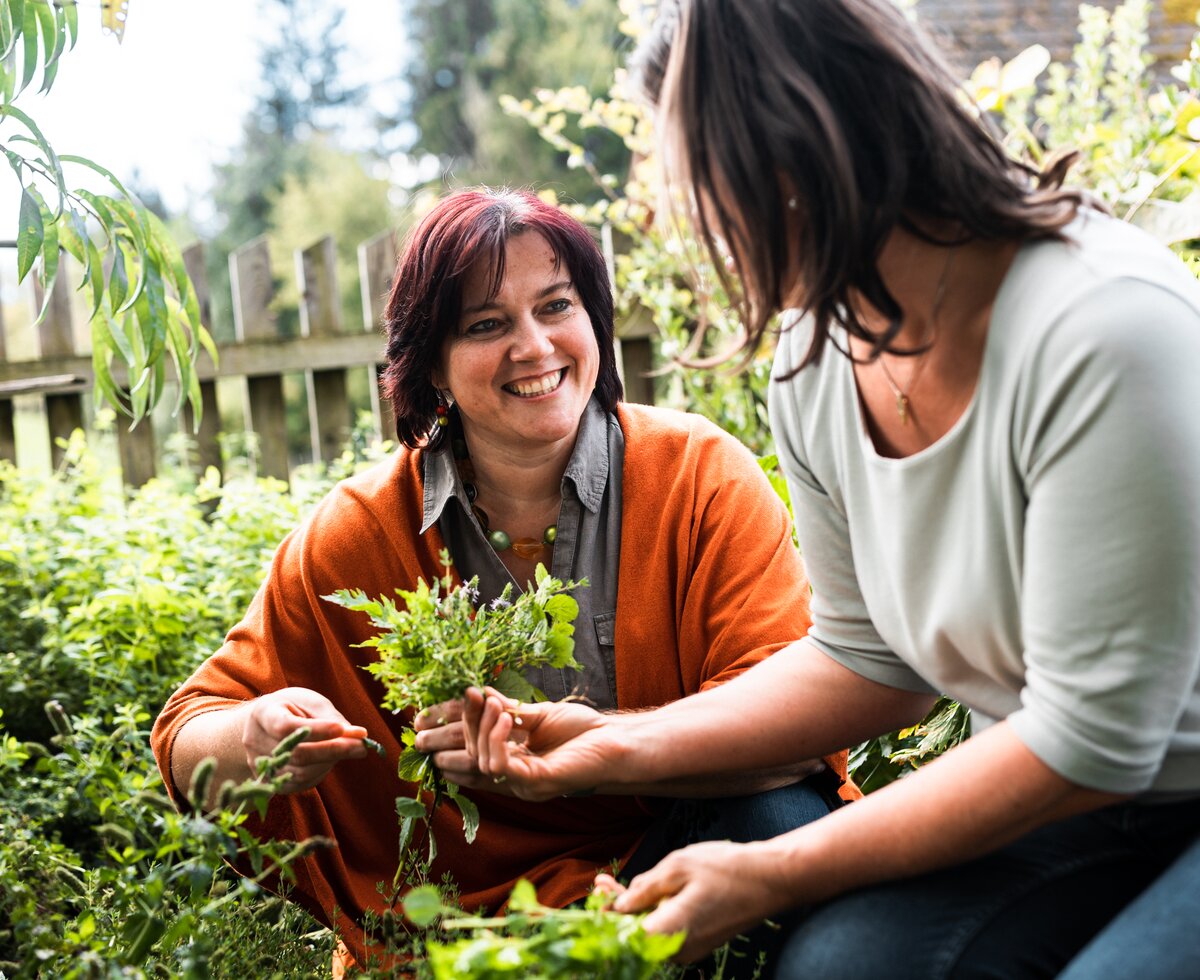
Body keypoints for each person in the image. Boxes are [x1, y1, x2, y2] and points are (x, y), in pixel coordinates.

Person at [461, 1, 1200, 976]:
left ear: (789, 145)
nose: (663, 208)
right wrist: (613, 745)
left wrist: (778, 867)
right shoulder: (819, 358)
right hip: (1080, 805)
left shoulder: (1103, 330)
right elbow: (868, 661)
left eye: (684, 168)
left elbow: (1086, 738)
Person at [150, 188, 855, 971]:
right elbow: (188, 731)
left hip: (686, 866)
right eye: (486, 325)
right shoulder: (356, 534)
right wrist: (255, 737)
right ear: (433, 366)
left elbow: (793, 731)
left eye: (557, 305)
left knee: (785, 818)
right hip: (471, 919)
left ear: (594, 321)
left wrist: (606, 751)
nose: (534, 346)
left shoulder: (700, 478)